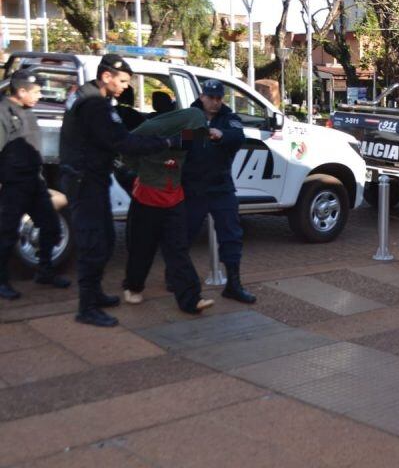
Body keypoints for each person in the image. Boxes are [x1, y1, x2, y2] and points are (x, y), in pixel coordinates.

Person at [60, 54, 176, 327]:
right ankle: (86, 307)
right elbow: (120, 141)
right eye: (122, 80)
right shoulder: (94, 104)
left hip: (90, 178)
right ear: (107, 76)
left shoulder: (87, 94)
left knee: (107, 238)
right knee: (94, 243)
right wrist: (164, 143)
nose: (126, 86)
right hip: (85, 180)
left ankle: (95, 294)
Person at [122, 107, 215, 314]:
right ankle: (133, 286)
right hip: (147, 196)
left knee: (178, 250)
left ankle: (191, 299)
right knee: (142, 248)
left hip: (174, 197)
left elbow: (195, 146)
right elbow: (127, 146)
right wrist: (140, 170)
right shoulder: (152, 129)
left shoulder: (192, 131)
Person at [180, 79, 256, 303]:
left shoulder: (229, 117)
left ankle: (233, 284)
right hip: (192, 187)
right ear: (202, 96)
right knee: (183, 236)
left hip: (220, 186)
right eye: (210, 97)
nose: (214, 102)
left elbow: (238, 136)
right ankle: (177, 277)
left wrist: (220, 135)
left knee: (232, 236)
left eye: (218, 98)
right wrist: (204, 134)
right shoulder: (189, 115)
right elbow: (180, 139)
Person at [0, 70, 70, 299]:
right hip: (13, 185)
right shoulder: (3, 112)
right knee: (7, 234)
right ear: (21, 91)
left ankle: (45, 271)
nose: (40, 95)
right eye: (36, 91)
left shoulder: (27, 111)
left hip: (34, 182)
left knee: (51, 225)